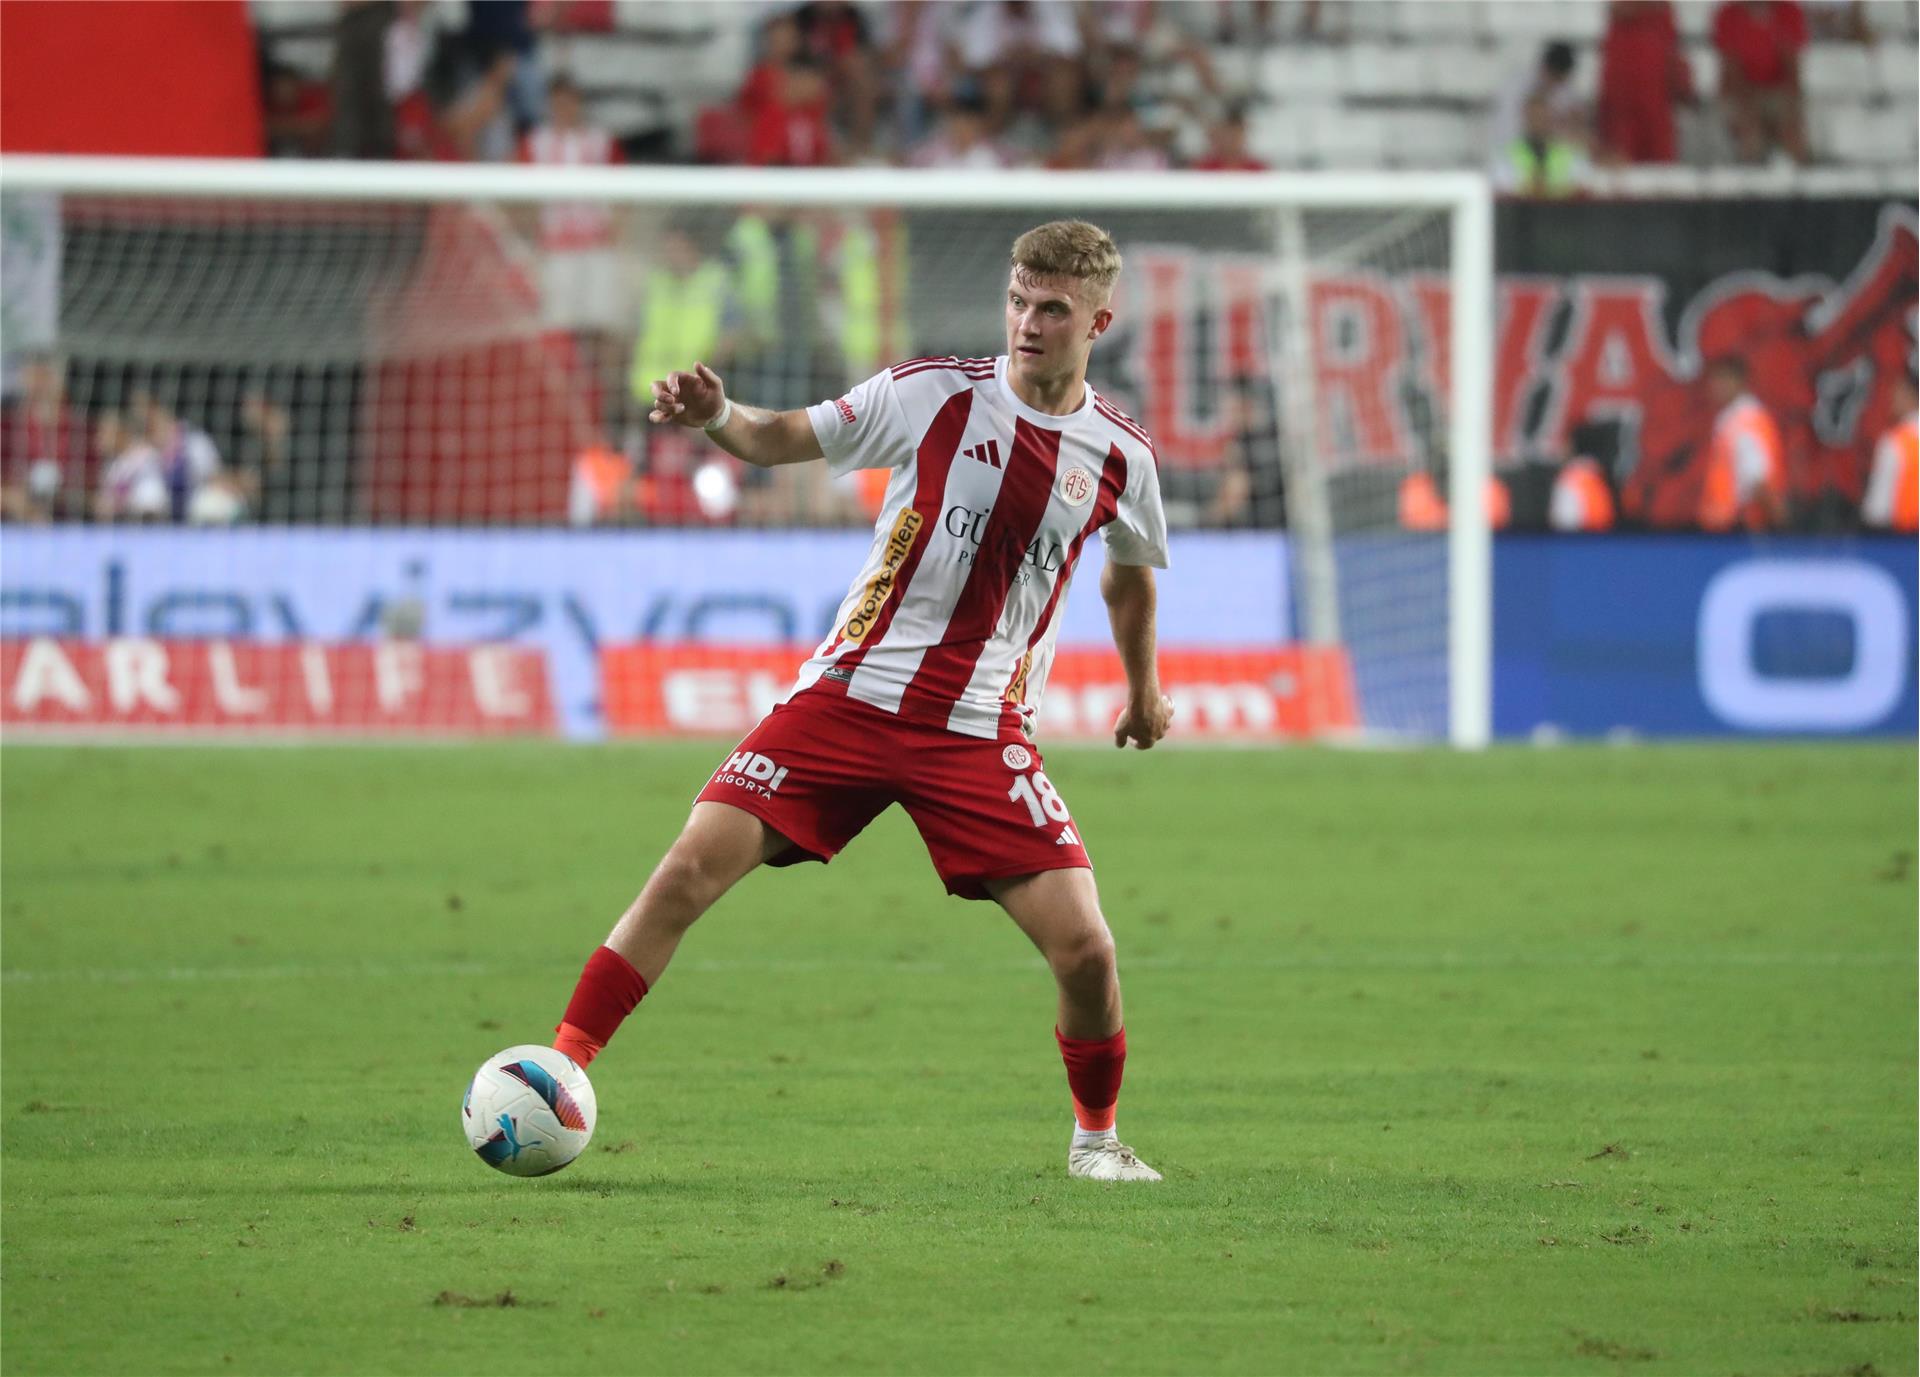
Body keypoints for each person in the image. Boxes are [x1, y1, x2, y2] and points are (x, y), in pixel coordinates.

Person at [550, 220, 1174, 1182]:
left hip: (978, 730)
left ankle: (1096, 1141)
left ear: (1099, 321)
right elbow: (776, 437)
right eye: (1018, 301)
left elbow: (1128, 580)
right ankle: (558, 1069)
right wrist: (719, 414)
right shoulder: (930, 394)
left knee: (1088, 949)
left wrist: (1144, 690)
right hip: (849, 696)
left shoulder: (1122, 454)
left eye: (1052, 309)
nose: (1027, 323)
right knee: (686, 870)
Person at [1712, 0, 1811, 164]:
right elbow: (1731, 69)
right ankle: (1749, 171)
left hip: (1778, 90)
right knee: (1749, 133)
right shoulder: (1728, 15)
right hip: (1739, 92)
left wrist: (1789, 109)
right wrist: (1750, 108)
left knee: (1792, 131)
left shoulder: (1789, 12)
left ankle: (1800, 172)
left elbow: (1791, 69)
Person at [1597, 1, 1693, 165]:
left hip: (1652, 108)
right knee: (1625, 161)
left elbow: (1673, 57)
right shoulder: (1655, 17)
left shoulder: (1661, 18)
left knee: (1657, 164)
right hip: (1628, 109)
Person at [1698, 356, 1787, 531]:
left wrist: (1777, 522)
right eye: (1714, 380)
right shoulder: (1732, 417)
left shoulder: (1745, 420)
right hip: (1728, 523)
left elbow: (1756, 478)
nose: (1715, 387)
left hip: (1742, 526)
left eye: (1722, 379)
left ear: (1739, 381)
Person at [1487, 40, 1585, 176]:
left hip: (1549, 157)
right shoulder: (1515, 85)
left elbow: (1575, 126)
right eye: (1555, 78)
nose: (1556, 84)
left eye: (1561, 81)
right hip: (1514, 156)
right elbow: (1507, 129)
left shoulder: (1566, 91)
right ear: (1545, 68)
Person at [1496, 94, 1589, 197]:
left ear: (1551, 118)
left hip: (1562, 206)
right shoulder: (1506, 154)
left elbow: (1582, 186)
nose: (1538, 121)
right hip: (1521, 207)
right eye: (1534, 116)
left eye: (1542, 116)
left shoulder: (1571, 152)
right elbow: (1503, 189)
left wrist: (1548, 190)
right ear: (1525, 118)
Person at [1861, 372, 1917, 533]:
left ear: (1910, 395)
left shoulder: (1896, 443)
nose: (1891, 400)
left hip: (1903, 539)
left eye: (1896, 394)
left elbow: (1877, 511)